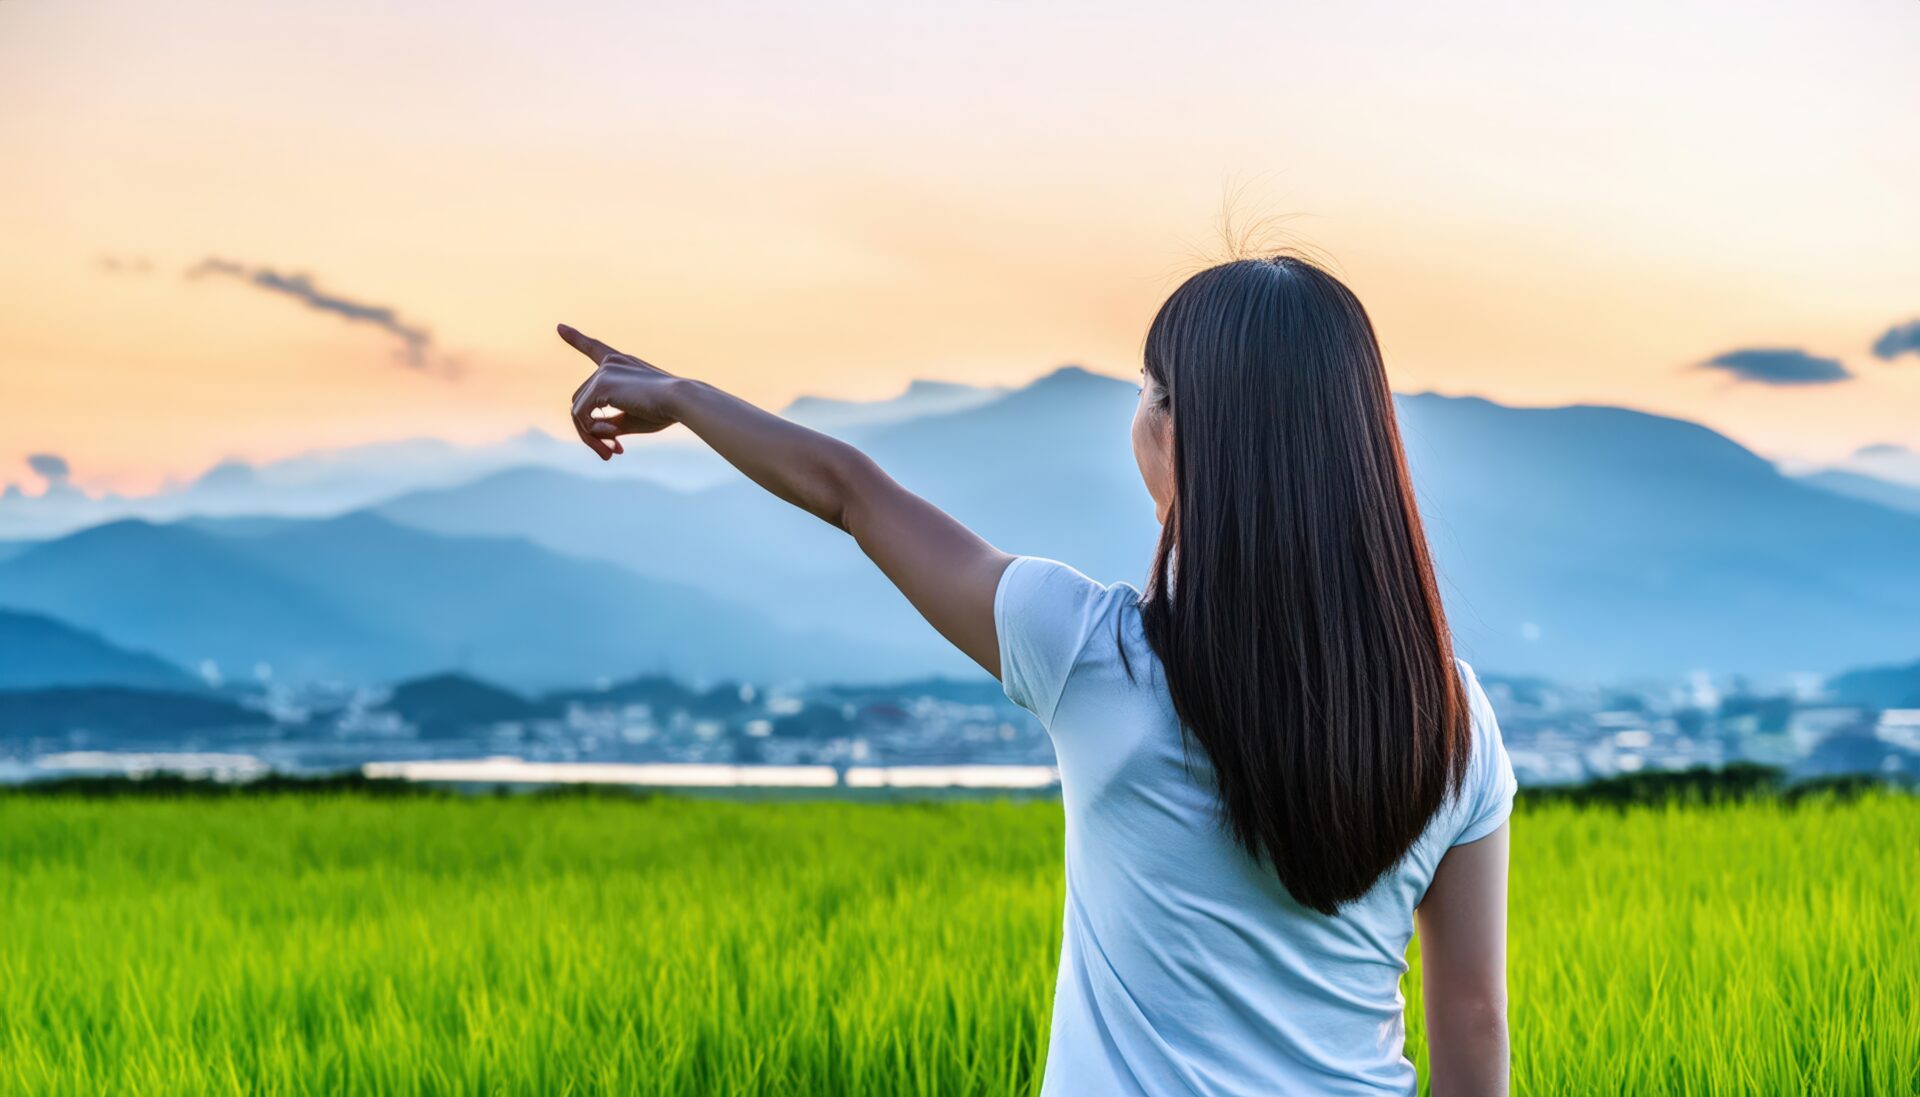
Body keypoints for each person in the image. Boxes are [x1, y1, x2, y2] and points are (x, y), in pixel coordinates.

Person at [560, 253, 1514, 1097]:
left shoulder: (1089, 654)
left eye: (1147, 389)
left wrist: (683, 396)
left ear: (1183, 429)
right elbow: (1471, 1021)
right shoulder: (1452, 719)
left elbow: (853, 493)